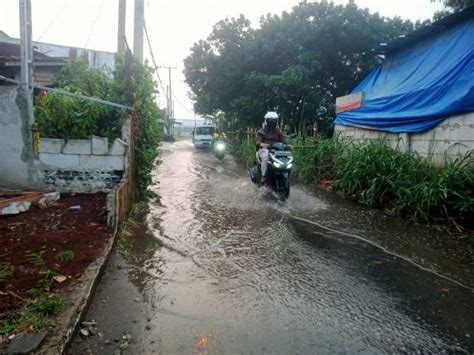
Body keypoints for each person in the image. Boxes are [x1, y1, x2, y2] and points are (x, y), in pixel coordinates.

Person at [256, 111, 285, 184]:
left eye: (274, 121)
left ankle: (285, 172)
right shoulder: (262, 131)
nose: (272, 123)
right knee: (265, 154)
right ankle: (263, 175)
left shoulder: (278, 131)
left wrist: (288, 145)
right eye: (270, 121)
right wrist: (262, 144)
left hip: (276, 150)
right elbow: (258, 142)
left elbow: (283, 141)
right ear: (267, 121)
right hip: (264, 150)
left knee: (286, 154)